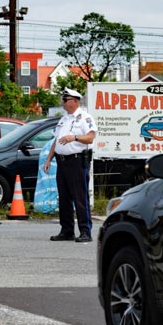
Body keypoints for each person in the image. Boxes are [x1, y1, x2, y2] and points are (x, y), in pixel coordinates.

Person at [44, 88, 97, 243]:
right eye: (63, 100)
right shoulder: (64, 119)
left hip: (77, 162)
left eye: (66, 100)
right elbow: (56, 140)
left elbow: (90, 138)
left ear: (74, 101)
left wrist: (73, 137)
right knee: (64, 198)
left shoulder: (85, 118)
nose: (63, 103)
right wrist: (49, 159)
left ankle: (85, 231)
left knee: (80, 198)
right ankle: (67, 230)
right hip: (62, 162)